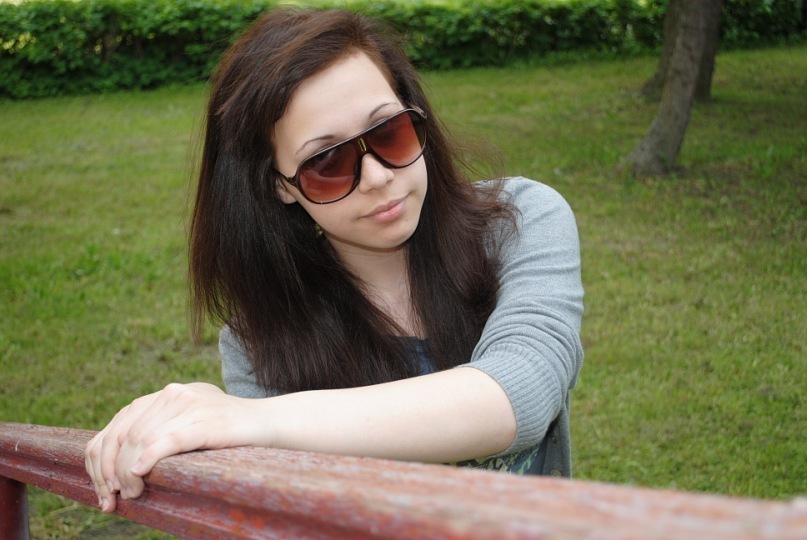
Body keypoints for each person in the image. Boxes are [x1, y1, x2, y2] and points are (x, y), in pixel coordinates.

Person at [85, 6, 584, 514]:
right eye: (327, 162)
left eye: (389, 130)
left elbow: (523, 391)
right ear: (279, 186)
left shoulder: (519, 220)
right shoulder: (260, 336)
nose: (378, 177)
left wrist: (254, 419)